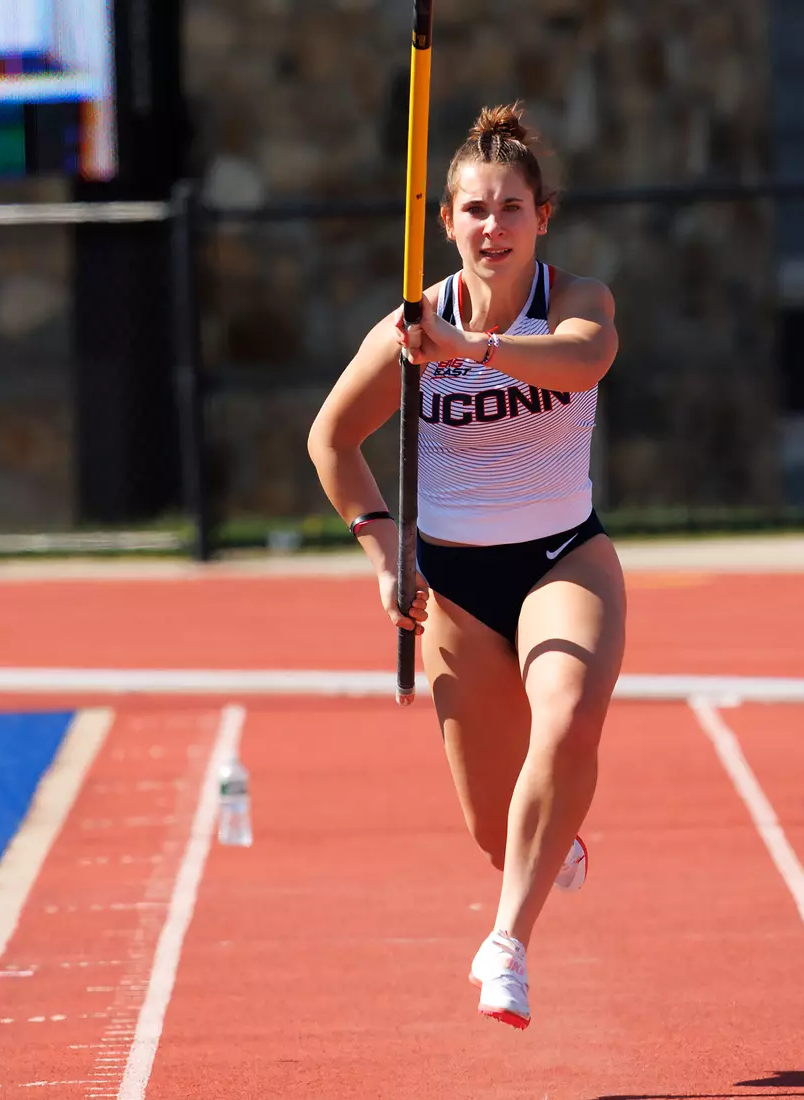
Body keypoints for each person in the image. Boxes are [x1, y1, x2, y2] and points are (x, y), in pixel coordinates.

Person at [308, 102, 625, 1031]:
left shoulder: (577, 300)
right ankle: (544, 848)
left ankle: (506, 945)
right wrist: (384, 548)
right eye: (476, 210)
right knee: (496, 831)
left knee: (568, 719)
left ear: (542, 217)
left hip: (564, 560)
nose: (494, 227)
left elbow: (583, 363)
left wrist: (473, 350)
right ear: (445, 221)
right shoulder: (409, 330)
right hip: (454, 588)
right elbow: (331, 440)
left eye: (512, 208)